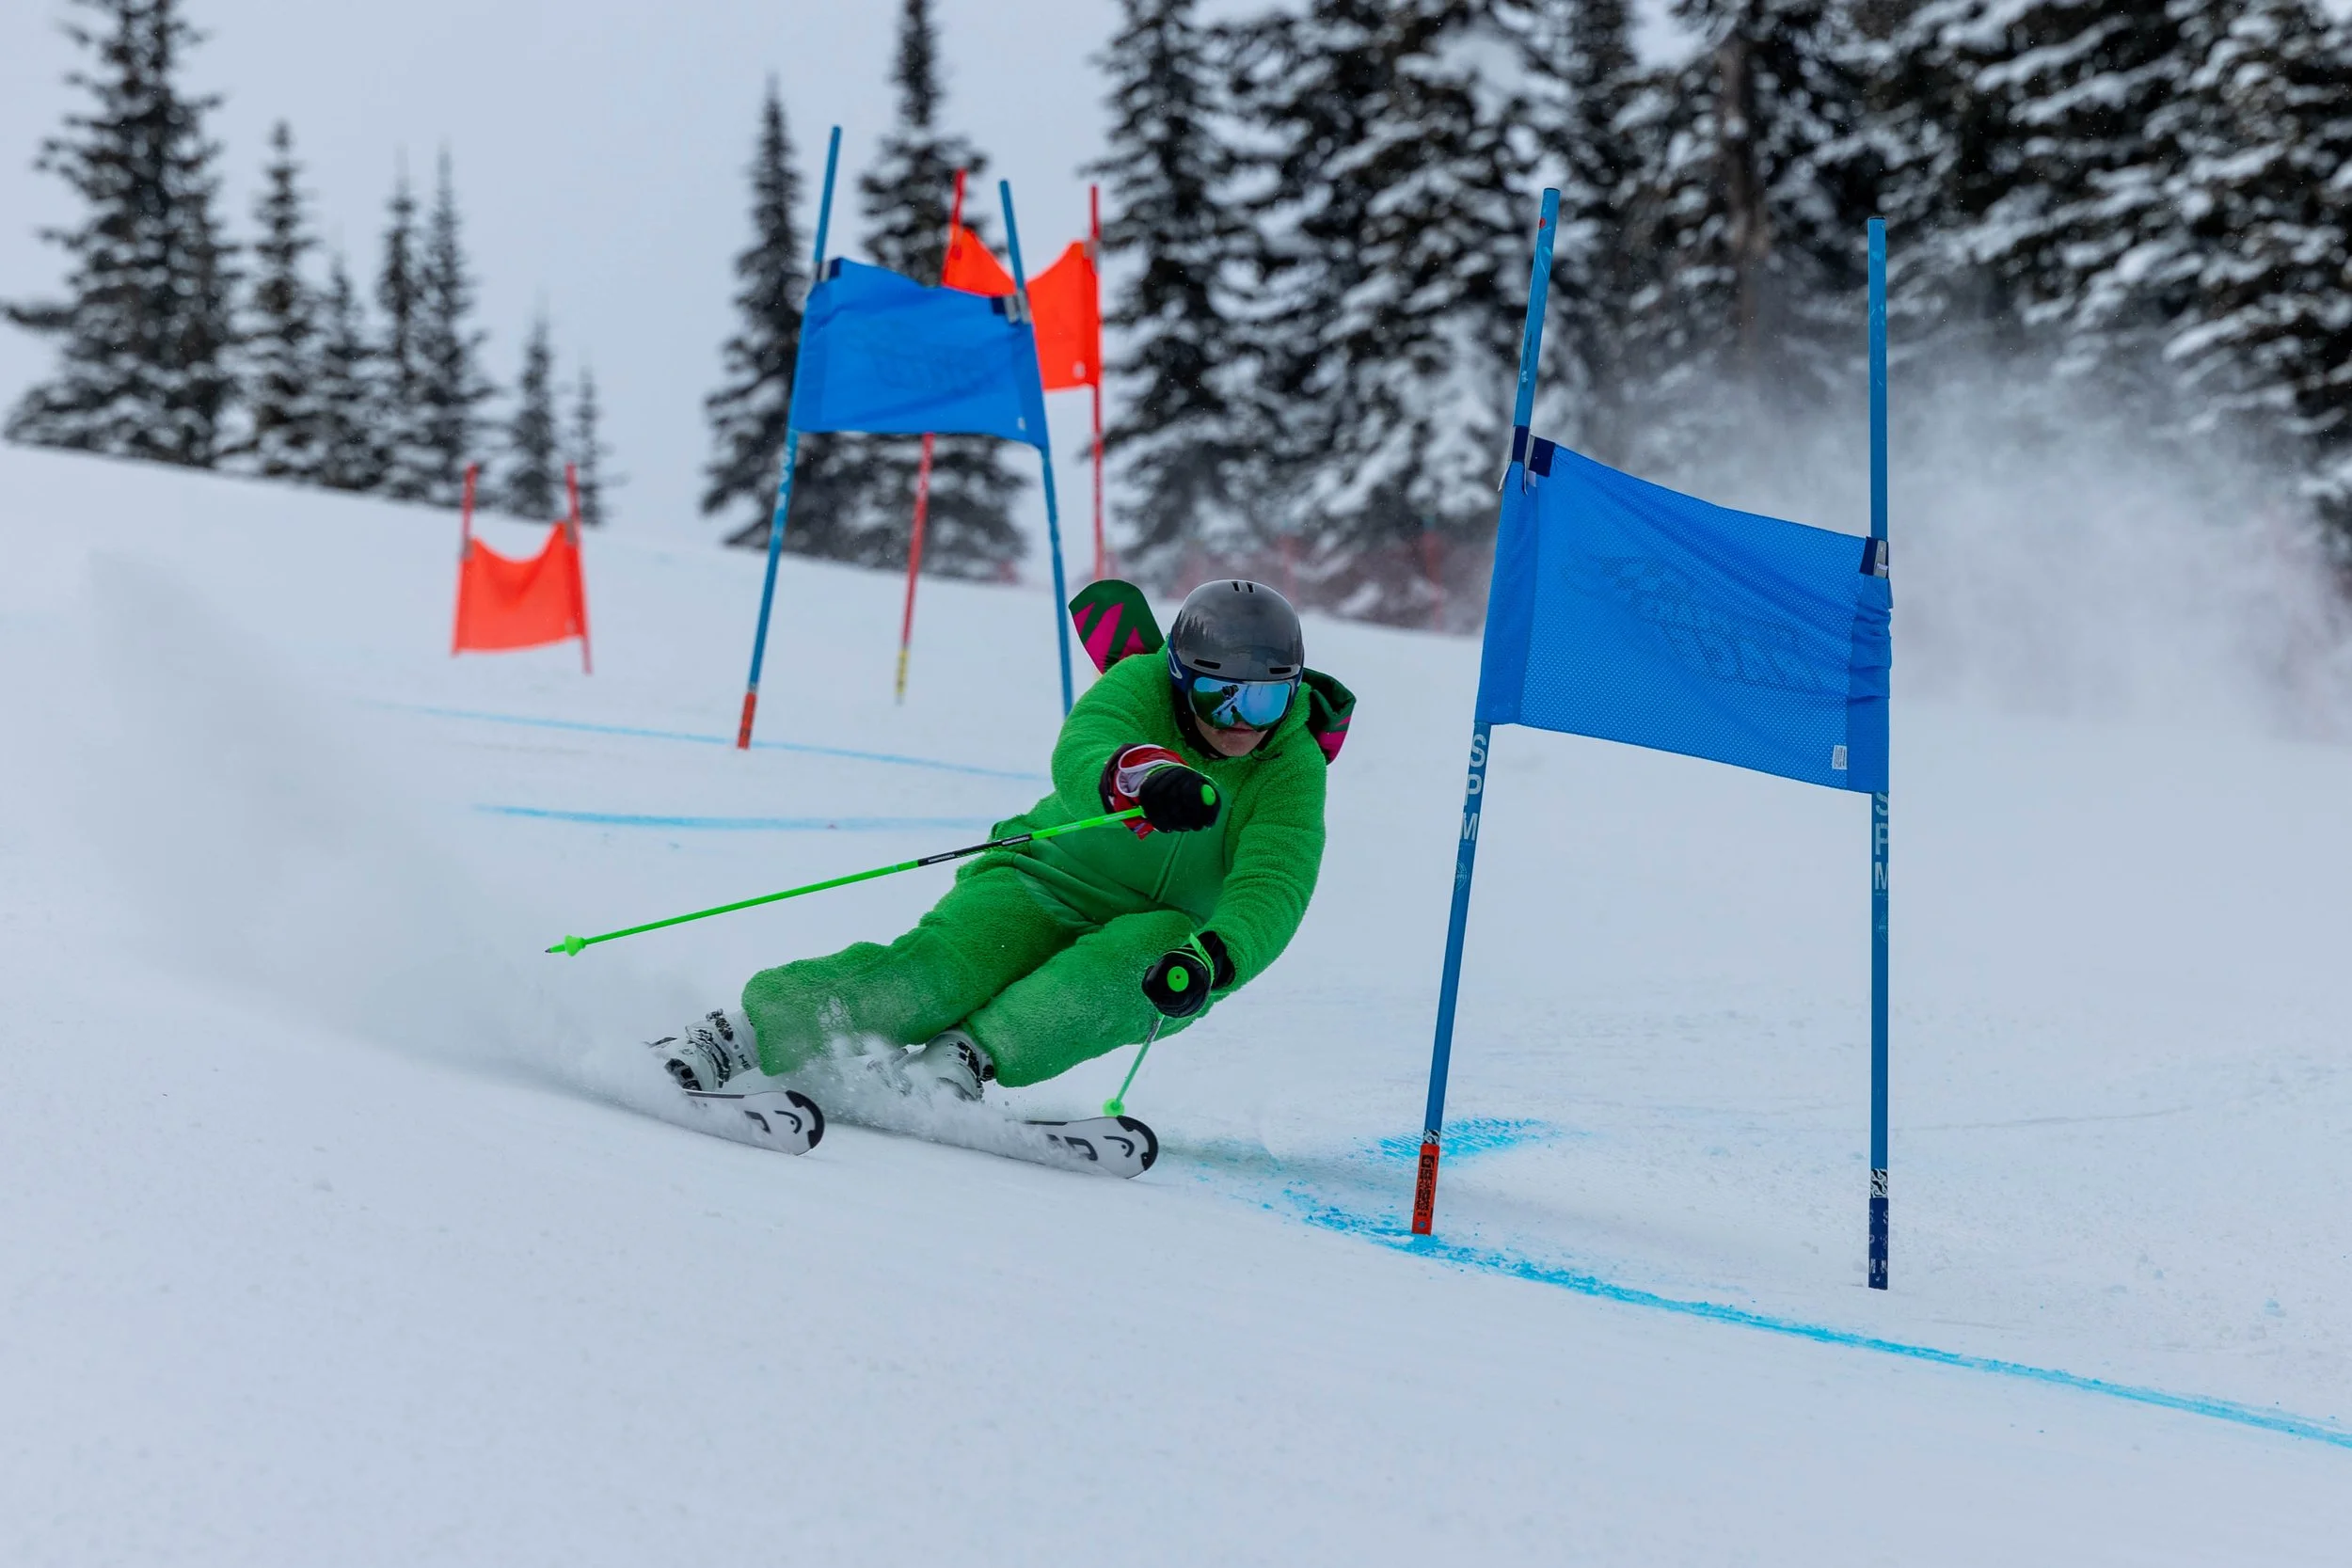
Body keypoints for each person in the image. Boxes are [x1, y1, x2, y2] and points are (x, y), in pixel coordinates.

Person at [657, 579, 1342, 1101]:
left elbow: (1275, 882)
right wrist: (1142, 775)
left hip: (1159, 924)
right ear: (1181, 677)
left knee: (1141, 961)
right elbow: (1084, 746)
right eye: (1220, 697)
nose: (1241, 721)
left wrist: (1218, 960)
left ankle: (962, 1059)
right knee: (937, 975)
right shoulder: (1141, 685)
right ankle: (739, 1033)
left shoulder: (1289, 764)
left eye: (1265, 701)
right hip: (1041, 874)